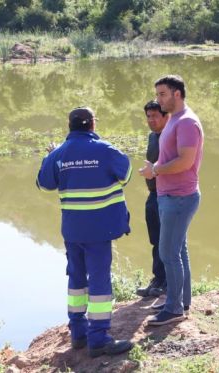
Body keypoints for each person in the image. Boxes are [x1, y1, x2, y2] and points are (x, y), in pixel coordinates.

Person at [36, 106, 134, 357]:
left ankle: (78, 335)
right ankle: (98, 339)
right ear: (92, 125)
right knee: (99, 281)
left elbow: (44, 183)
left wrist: (49, 157)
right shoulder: (105, 149)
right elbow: (127, 175)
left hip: (73, 231)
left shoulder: (59, 153)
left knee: (76, 280)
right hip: (99, 230)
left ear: (69, 126)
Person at [139, 75, 204, 326]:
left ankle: (174, 308)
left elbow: (185, 162)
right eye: (157, 94)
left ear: (177, 94)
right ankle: (181, 301)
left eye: (162, 94)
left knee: (168, 252)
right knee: (179, 251)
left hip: (179, 197)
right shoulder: (175, 120)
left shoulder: (186, 122)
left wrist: (155, 170)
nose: (158, 100)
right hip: (171, 195)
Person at [136, 100, 169, 298]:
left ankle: (166, 282)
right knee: (155, 239)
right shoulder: (152, 136)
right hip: (153, 194)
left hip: (168, 194)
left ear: (166, 116)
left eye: (155, 116)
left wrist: (155, 172)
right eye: (148, 116)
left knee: (167, 240)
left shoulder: (171, 136)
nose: (151, 120)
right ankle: (157, 279)